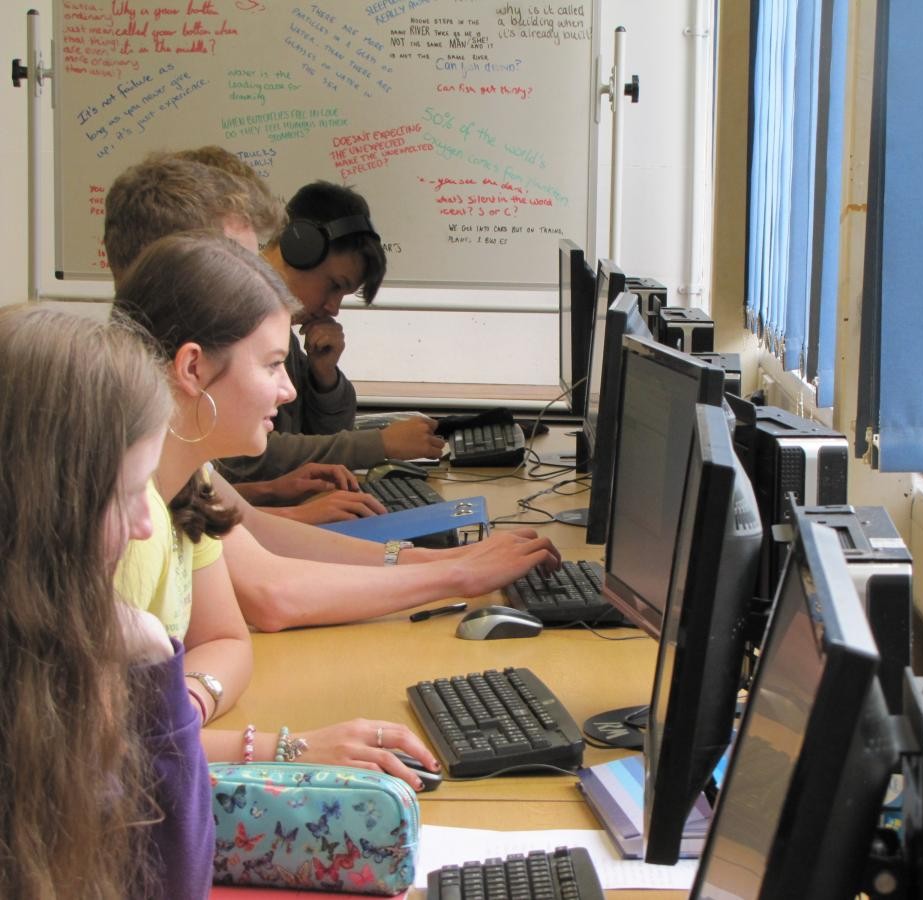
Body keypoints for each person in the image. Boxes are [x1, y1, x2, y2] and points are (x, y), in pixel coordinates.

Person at [112, 233, 559, 778]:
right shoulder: (123, 523)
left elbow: (225, 641)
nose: (288, 389)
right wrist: (284, 750)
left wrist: (187, 705)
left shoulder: (183, 479)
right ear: (192, 368)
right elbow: (103, 749)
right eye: (272, 365)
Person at [0, 305, 211, 899]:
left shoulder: (48, 659)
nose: (147, 525)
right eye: (125, 496)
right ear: (44, 508)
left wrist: (150, 655)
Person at [105, 151, 383, 525]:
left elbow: (208, 512)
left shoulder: (162, 426)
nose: (287, 389)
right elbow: (257, 570)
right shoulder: (123, 437)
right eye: (237, 265)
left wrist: (271, 493)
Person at [216, 179, 445, 487]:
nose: (334, 308)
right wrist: (379, 444)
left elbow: (317, 443)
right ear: (300, 249)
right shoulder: (234, 322)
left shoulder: (281, 333)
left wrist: (323, 379)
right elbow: (247, 458)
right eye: (335, 285)